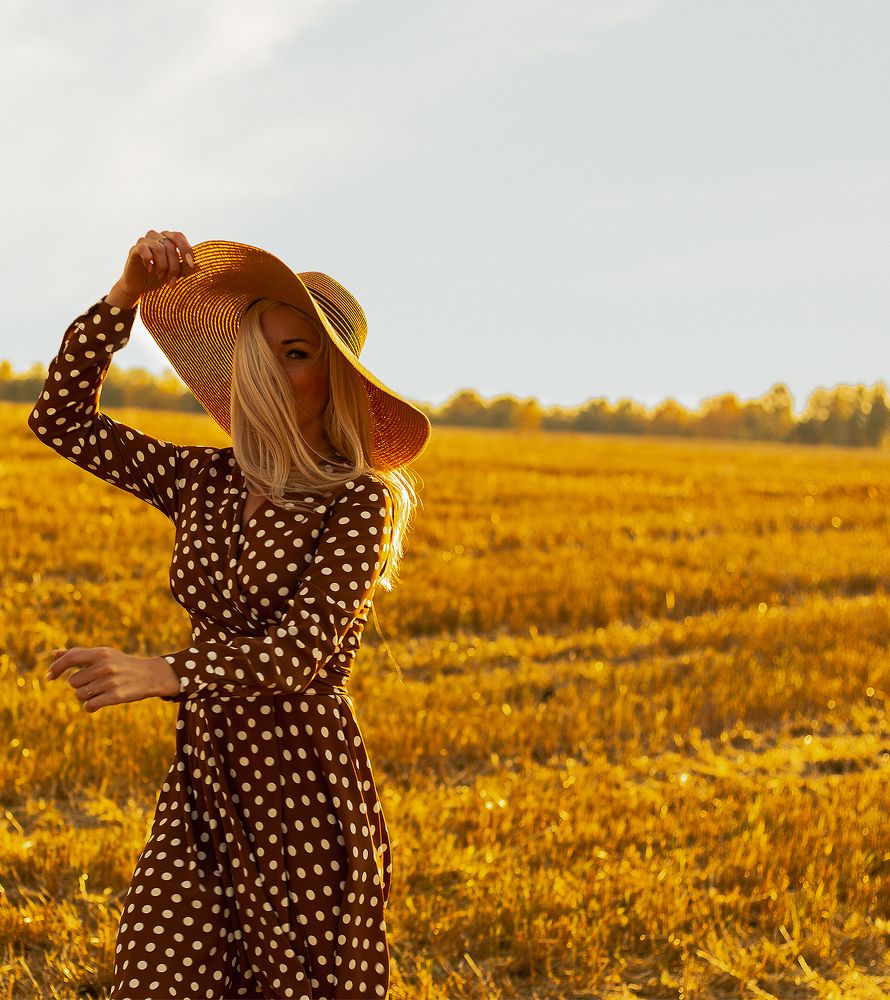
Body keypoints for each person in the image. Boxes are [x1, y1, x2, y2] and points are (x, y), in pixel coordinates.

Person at [29, 229, 431, 999]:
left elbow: (299, 653)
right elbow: (61, 420)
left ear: (335, 380)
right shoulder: (201, 480)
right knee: (155, 974)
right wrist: (123, 296)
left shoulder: (357, 501)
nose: (277, 372)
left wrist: (162, 671)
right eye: (267, 349)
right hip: (206, 779)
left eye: (300, 353)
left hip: (302, 789)